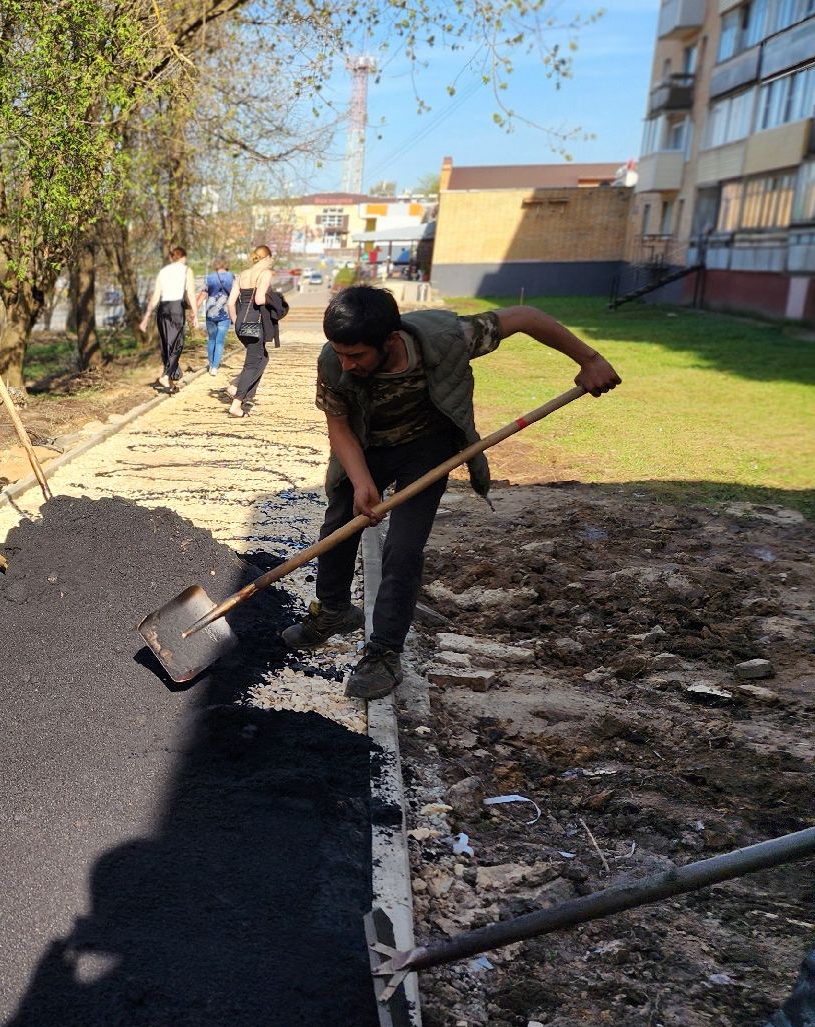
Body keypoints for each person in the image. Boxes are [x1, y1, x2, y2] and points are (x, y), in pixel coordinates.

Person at [281, 286, 620, 699]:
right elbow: (338, 427)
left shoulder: (448, 338)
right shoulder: (333, 363)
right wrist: (363, 482)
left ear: (390, 340)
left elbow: (527, 317)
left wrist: (590, 360)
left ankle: (384, 652)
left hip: (427, 449)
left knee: (403, 549)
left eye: (357, 356)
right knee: (338, 524)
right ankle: (334, 611)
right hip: (365, 443)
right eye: (341, 353)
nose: (347, 364)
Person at [225, 245, 280, 417]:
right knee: (252, 363)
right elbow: (259, 299)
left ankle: (237, 387)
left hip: (240, 322)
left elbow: (230, 303)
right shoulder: (265, 273)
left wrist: (236, 321)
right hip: (254, 323)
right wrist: (274, 300)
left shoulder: (242, 275)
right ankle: (236, 404)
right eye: (271, 258)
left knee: (262, 357)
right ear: (267, 258)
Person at [138, 245, 200, 393]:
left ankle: (170, 384)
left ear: (172, 258)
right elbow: (191, 294)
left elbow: (155, 296)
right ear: (183, 257)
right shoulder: (186, 270)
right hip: (176, 309)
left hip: (163, 309)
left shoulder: (163, 271)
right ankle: (166, 376)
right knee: (177, 344)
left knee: (166, 345)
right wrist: (195, 314)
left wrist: (146, 317)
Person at [201, 259, 236, 377]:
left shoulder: (209, 277)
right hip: (225, 313)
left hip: (210, 312)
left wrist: (194, 310)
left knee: (211, 339)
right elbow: (235, 294)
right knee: (220, 341)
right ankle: (215, 367)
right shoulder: (231, 277)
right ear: (227, 266)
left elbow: (203, 294)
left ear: (215, 266)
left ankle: (211, 365)